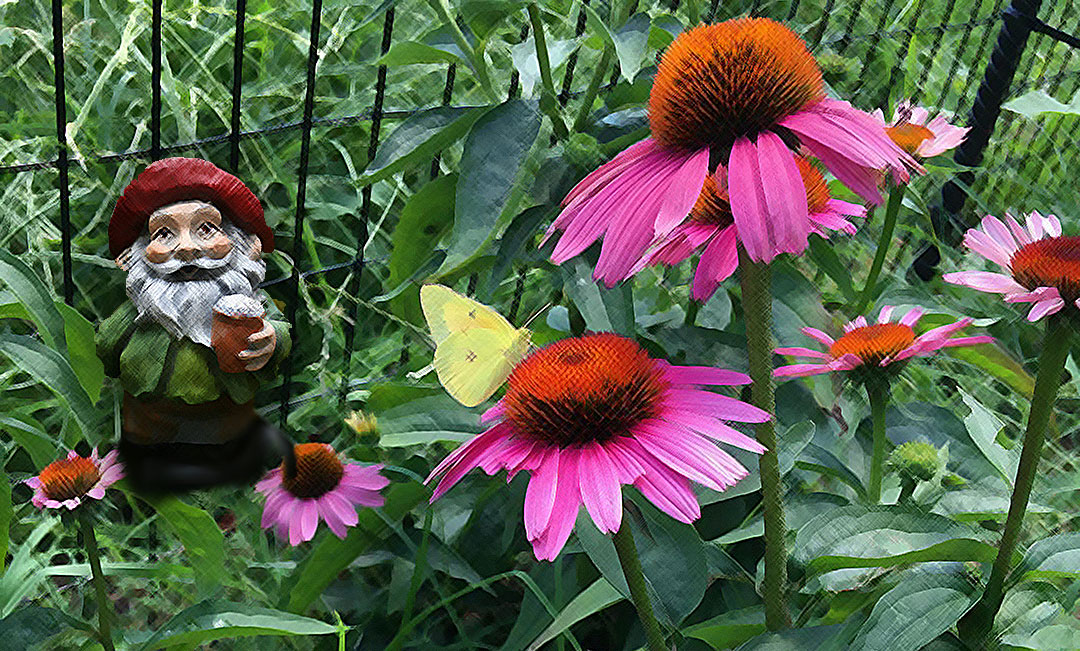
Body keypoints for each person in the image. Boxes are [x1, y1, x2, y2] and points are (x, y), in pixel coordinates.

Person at [97, 157, 293, 491]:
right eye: (164, 233)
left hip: (227, 420)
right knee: (155, 473)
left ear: (248, 245)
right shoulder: (139, 315)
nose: (187, 248)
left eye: (206, 228)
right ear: (132, 256)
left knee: (228, 474)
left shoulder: (249, 304)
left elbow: (279, 328)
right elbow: (107, 347)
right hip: (151, 420)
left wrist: (273, 338)